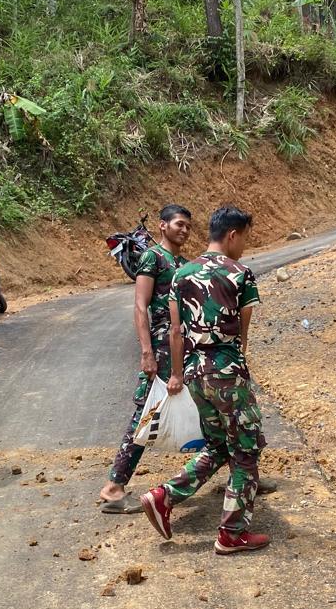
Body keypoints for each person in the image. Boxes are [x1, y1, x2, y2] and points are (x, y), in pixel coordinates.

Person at [140, 206, 270, 554]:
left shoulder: (182, 274)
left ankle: (163, 496)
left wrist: (179, 375)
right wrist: (236, 362)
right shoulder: (240, 273)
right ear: (232, 235)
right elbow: (243, 334)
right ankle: (231, 534)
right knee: (245, 451)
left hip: (195, 373)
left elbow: (176, 331)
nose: (244, 246)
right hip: (227, 372)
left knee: (217, 446)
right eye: (244, 238)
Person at [98, 204, 192, 513]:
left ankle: (234, 473)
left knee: (204, 404)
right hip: (163, 346)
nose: (184, 230)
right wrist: (147, 352)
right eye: (179, 224)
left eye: (188, 226)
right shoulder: (153, 257)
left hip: (185, 345)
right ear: (162, 226)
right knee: (147, 414)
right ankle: (114, 487)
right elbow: (140, 307)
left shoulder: (184, 262)